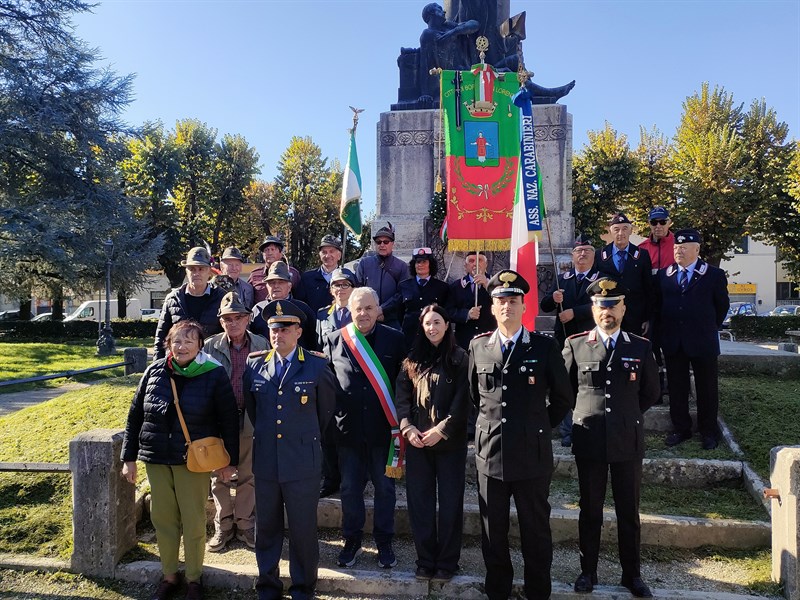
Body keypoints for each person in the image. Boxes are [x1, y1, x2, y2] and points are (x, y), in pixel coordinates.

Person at [469, 270, 573, 600]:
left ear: (523, 306)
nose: (507, 307)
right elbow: (476, 395)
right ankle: (497, 592)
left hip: (532, 455)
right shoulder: (478, 346)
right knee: (493, 533)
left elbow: (562, 398)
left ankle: (537, 593)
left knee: (536, 532)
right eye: (501, 301)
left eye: (513, 301)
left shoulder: (544, 346)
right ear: (492, 307)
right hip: (492, 454)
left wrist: (538, 426)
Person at [121, 320, 239, 600]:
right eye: (176, 340)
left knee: (193, 519)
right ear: (168, 344)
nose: (182, 346)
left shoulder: (213, 373)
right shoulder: (154, 371)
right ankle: (170, 575)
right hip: (157, 456)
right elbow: (135, 414)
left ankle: (195, 579)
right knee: (163, 519)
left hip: (192, 461)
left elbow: (229, 419)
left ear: (200, 345)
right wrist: (129, 457)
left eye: (189, 341)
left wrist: (229, 461)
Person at [562, 278, 660, 598]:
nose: (607, 311)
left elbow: (650, 393)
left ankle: (631, 575)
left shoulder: (640, 346)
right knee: (590, 510)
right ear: (593, 309)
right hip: (589, 438)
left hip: (626, 440)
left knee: (628, 512)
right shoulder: (576, 344)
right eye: (601, 306)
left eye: (613, 305)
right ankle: (587, 572)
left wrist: (624, 415)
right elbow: (566, 390)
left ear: (623, 308)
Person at [244, 300, 335, 600]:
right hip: (268, 461)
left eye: (285, 328)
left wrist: (300, 439)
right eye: (273, 328)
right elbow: (255, 413)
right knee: (266, 528)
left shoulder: (317, 365)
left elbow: (324, 416)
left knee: (302, 530)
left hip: (302, 463)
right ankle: (268, 585)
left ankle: (303, 587)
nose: (277, 334)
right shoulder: (254, 364)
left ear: (298, 331)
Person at [323, 287, 407, 569]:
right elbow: (328, 384)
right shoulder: (335, 340)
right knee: (349, 489)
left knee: (385, 489)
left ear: (378, 309)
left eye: (369, 308)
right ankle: (352, 540)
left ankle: (384, 541)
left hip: (384, 431)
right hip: (347, 432)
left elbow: (403, 384)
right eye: (358, 308)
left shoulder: (395, 340)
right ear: (349, 310)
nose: (363, 314)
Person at [396, 304, 470, 583]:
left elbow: (464, 400)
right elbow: (402, 396)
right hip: (418, 443)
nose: (432, 328)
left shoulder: (460, 358)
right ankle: (425, 561)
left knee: (450, 503)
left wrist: (443, 429)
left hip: (449, 443)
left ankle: (447, 563)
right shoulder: (412, 359)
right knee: (420, 504)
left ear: (447, 325)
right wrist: (407, 427)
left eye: (437, 322)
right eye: (427, 323)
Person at [203, 292, 268, 552]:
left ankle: (244, 523)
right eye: (227, 318)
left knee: (249, 473)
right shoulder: (210, 347)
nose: (233, 323)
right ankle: (224, 524)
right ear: (221, 322)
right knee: (219, 474)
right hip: (219, 419)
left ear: (248, 318)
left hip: (250, 415)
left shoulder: (262, 342)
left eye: (238, 317)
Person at [654, 228, 729, 450]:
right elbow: (658, 307)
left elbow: (721, 307)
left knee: (707, 388)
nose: (679, 251)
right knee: (677, 388)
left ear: (696, 249)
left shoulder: (713, 275)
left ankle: (708, 431)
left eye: (684, 247)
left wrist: (706, 327)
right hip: (673, 341)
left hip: (702, 340)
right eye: (676, 247)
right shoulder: (664, 275)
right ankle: (681, 429)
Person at [540, 234, 600, 446]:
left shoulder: (601, 279)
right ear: (572, 255)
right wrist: (553, 298)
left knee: (587, 384)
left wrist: (576, 312)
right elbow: (545, 305)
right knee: (565, 384)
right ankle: (567, 431)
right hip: (564, 341)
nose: (582, 254)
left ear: (594, 255)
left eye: (587, 251)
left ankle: (587, 426)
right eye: (578, 251)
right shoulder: (562, 279)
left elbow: (602, 306)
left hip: (589, 341)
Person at [315, 267, 357, 498]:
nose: (340, 289)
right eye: (336, 285)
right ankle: (331, 478)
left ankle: (354, 476)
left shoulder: (359, 314)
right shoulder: (322, 315)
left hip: (354, 380)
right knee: (328, 433)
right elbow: (316, 344)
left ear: (353, 289)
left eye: (345, 285)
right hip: (328, 380)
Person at [154, 247, 226, 360]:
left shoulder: (222, 297)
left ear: (209, 271)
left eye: (201, 269)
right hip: (178, 364)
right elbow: (160, 339)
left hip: (211, 364)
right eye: (192, 269)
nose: (196, 273)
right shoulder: (173, 299)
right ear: (186, 271)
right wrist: (157, 369)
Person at [595, 213, 654, 337]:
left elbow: (648, 288)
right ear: (611, 231)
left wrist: (647, 318)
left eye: (624, 229)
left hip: (635, 316)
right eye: (616, 229)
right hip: (609, 314)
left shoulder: (642, 255)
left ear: (631, 231)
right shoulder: (600, 255)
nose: (620, 233)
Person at [251, 261, 318, 351]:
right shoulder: (257, 310)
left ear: (289, 286)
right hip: (265, 362)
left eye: (281, 282)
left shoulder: (302, 309)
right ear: (266, 286)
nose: (276, 286)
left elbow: (313, 340)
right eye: (272, 282)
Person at [354, 222, 409, 330]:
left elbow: (401, 294)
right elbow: (357, 290)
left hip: (391, 319)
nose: (382, 245)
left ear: (392, 244)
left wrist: (382, 309)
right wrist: (371, 311)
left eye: (386, 241)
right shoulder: (364, 264)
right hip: (367, 318)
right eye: (378, 242)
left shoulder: (401, 266)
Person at [396, 247, 450, 347]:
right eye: (418, 262)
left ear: (430, 264)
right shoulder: (404, 286)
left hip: (432, 337)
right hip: (410, 337)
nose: (420, 265)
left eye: (424, 262)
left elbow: (445, 312)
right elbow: (400, 312)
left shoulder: (442, 287)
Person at [446, 251, 495, 350]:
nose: (475, 264)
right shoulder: (456, 286)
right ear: (466, 265)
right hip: (465, 342)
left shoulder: (496, 284)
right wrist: (467, 314)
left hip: (490, 340)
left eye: (479, 260)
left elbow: (503, 302)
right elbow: (448, 311)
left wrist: (487, 284)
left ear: (486, 264)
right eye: (471, 261)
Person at [248, 235, 304, 304]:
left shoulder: (293, 273)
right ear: (263, 255)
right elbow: (248, 299)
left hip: (286, 312)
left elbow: (300, 298)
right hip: (262, 313)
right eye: (266, 250)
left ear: (281, 254)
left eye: (273, 249)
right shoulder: (255, 275)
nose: (269, 253)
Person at [301, 235, 344, 312]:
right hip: (313, 323)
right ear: (320, 255)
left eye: (331, 251)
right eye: (324, 252)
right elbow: (301, 306)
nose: (327, 256)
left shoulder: (347, 279)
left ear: (339, 255)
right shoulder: (307, 278)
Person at [638, 206, 675, 273]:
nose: (658, 226)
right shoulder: (641, 248)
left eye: (662, 222)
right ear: (649, 223)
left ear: (669, 222)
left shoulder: (679, 244)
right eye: (654, 222)